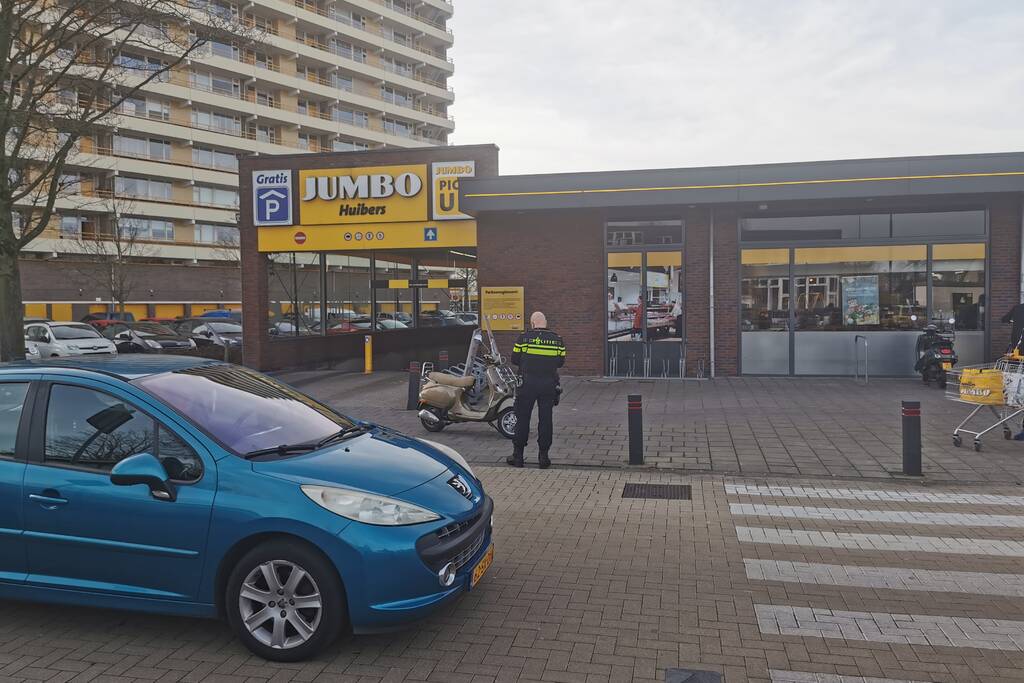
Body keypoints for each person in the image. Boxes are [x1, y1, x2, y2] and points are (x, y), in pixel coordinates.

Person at [507, 311, 566, 469]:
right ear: (546, 323)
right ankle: (543, 457)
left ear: (532, 323)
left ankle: (518, 456)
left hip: (527, 384)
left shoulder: (524, 338)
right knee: (546, 419)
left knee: (523, 418)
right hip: (548, 383)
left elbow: (514, 359)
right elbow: (560, 362)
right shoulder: (557, 340)